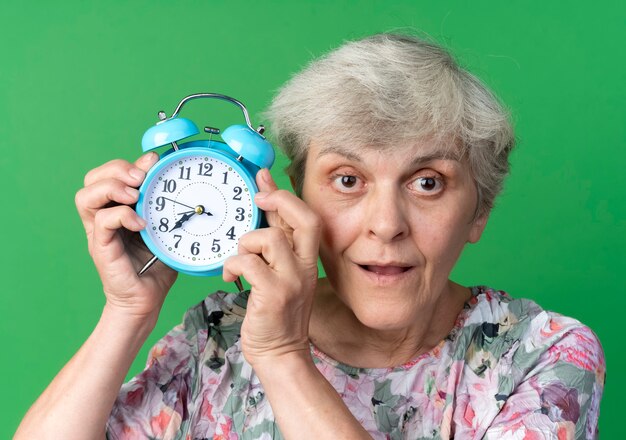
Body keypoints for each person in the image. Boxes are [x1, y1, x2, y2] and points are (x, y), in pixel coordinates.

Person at [16, 33, 604, 439]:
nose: (385, 223)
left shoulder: (543, 357)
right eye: (347, 179)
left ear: (480, 210)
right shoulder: (218, 337)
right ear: (296, 198)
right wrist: (128, 310)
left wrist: (282, 356)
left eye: (428, 182)